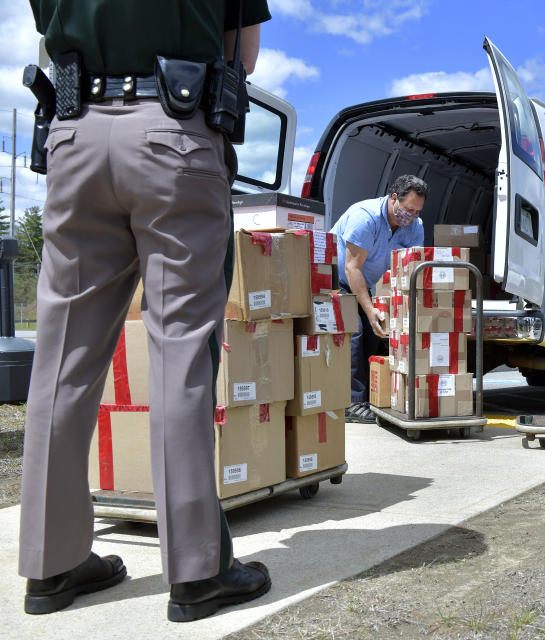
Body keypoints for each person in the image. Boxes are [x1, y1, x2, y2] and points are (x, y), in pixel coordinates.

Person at [21, 0, 272, 621]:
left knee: (60, 362)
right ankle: (197, 571)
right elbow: (241, 51)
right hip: (174, 131)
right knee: (180, 352)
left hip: (75, 136)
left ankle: (52, 566)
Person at [332, 175, 427, 422]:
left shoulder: (415, 227)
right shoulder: (365, 217)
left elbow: (407, 270)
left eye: (417, 211)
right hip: (338, 278)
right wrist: (370, 308)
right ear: (394, 198)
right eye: (408, 210)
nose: (412, 216)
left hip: (371, 284)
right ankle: (351, 403)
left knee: (377, 331)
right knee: (355, 332)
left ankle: (369, 395)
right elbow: (352, 268)